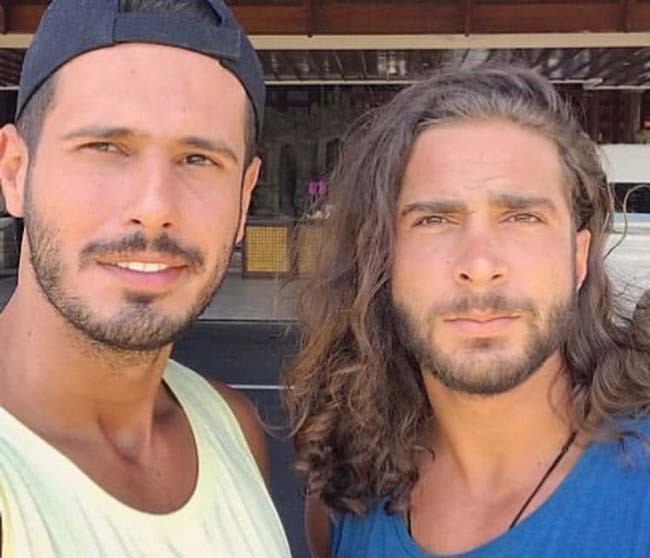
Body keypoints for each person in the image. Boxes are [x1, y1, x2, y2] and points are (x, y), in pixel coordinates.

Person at [284, 65, 650, 557]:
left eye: (522, 217)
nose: (479, 266)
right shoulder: (345, 499)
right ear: (383, 259)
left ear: (579, 256)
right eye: (435, 219)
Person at [0, 0, 291, 556]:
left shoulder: (231, 428)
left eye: (199, 159)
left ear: (244, 197)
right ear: (15, 172)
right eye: (106, 148)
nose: (155, 208)